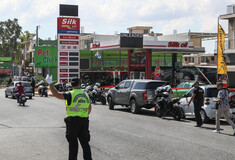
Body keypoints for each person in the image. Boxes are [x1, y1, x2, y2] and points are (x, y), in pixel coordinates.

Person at [46, 75, 92, 160]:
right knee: (85, 145)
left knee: (73, 147)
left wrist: (50, 83)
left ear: (71, 85)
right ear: (79, 84)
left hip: (73, 123)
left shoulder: (70, 94)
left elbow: (56, 94)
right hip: (84, 122)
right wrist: (83, 115)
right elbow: (89, 108)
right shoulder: (85, 94)